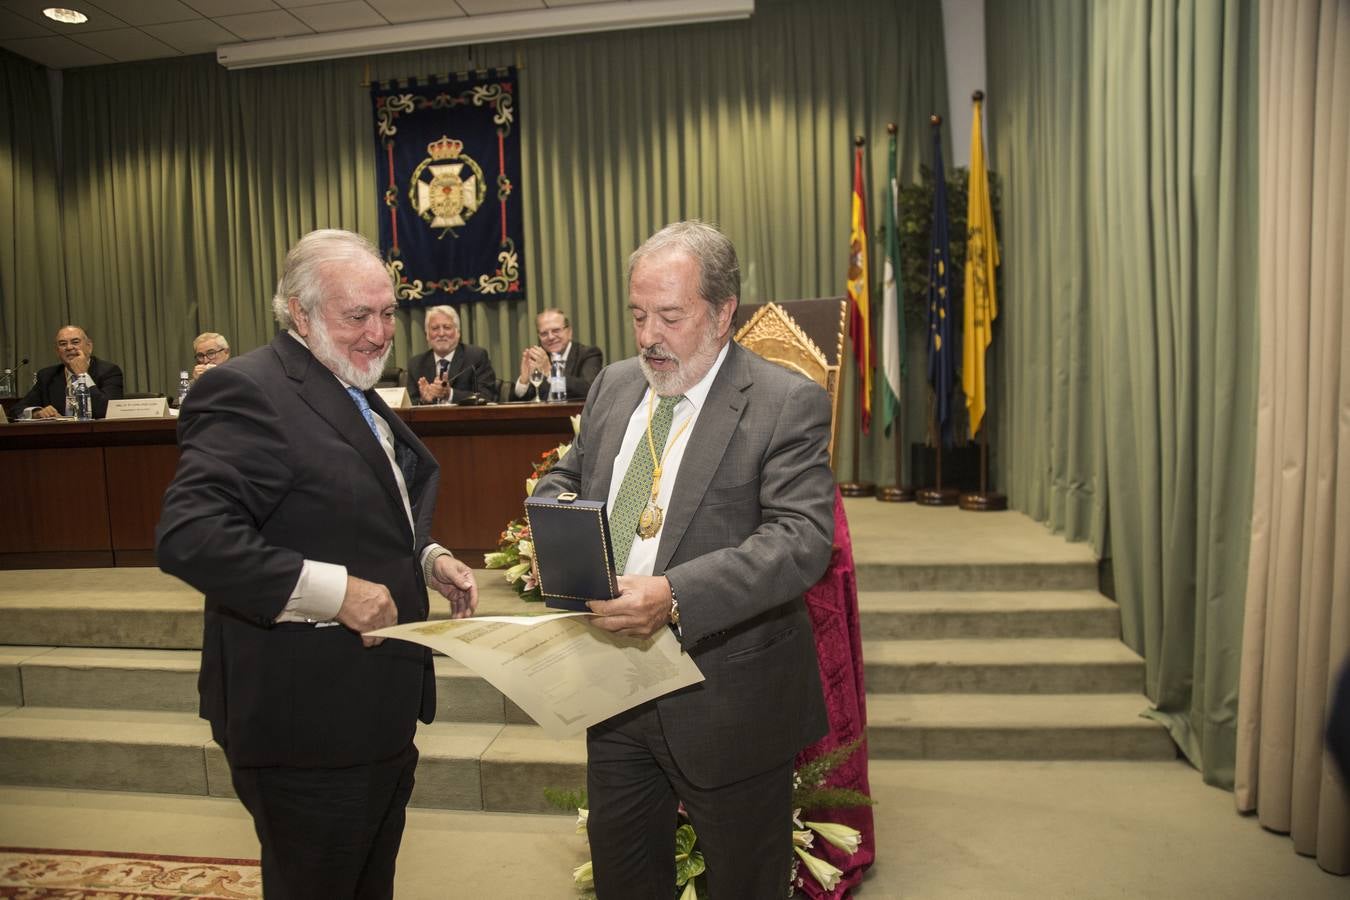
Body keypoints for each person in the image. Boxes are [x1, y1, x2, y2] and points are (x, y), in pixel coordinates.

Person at [155, 229, 478, 900]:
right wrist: (335, 594)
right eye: (356, 315)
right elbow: (191, 535)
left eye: (388, 313)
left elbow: (347, 508)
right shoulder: (250, 390)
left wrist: (425, 557)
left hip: (374, 714)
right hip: (306, 729)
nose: (379, 332)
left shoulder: (350, 386)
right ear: (300, 315)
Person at [532, 221, 835, 898]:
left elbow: (800, 540)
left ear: (725, 312)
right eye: (638, 315)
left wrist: (673, 594)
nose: (648, 337)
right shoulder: (615, 386)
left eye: (670, 316)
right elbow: (565, 477)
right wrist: (559, 536)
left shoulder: (784, 403)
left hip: (727, 700)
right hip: (615, 693)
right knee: (626, 879)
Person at [16, 325, 124, 419]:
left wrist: (82, 376)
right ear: (57, 351)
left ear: (89, 346)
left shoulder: (109, 371)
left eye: (75, 342)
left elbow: (107, 411)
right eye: (63, 344)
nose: (69, 347)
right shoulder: (47, 376)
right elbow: (17, 410)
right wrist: (37, 413)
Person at [407, 305, 497, 404]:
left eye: (447, 327)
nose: (441, 333)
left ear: (457, 332)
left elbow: (486, 396)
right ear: (427, 334)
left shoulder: (476, 357)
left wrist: (450, 394)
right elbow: (409, 403)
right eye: (435, 328)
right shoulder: (416, 364)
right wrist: (423, 401)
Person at [511, 308, 603, 401]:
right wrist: (524, 380)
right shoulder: (540, 357)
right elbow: (521, 400)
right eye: (544, 333)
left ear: (569, 332)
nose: (550, 337)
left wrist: (551, 372)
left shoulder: (588, 353)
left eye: (556, 330)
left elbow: (590, 389)